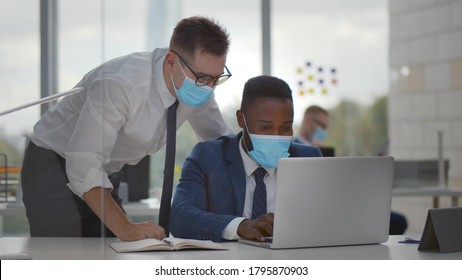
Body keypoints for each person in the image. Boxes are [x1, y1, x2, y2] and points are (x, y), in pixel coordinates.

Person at [21, 16, 233, 241]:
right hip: (53, 162)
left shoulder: (198, 90)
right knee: (62, 255)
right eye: (202, 78)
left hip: (104, 172)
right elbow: (83, 163)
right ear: (171, 60)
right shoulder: (121, 84)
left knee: (119, 251)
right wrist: (125, 227)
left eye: (216, 79)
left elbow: (221, 142)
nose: (209, 88)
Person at [170, 75, 322, 242]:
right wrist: (240, 226)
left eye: (286, 128)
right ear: (241, 119)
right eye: (265, 127)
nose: (276, 137)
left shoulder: (308, 159)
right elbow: (180, 216)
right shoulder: (207, 157)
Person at [296, 104, 408, 235]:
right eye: (323, 126)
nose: (324, 131)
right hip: (323, 206)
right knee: (396, 221)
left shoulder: (323, 150)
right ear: (309, 121)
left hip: (339, 201)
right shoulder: (294, 149)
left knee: (396, 220)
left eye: (326, 127)